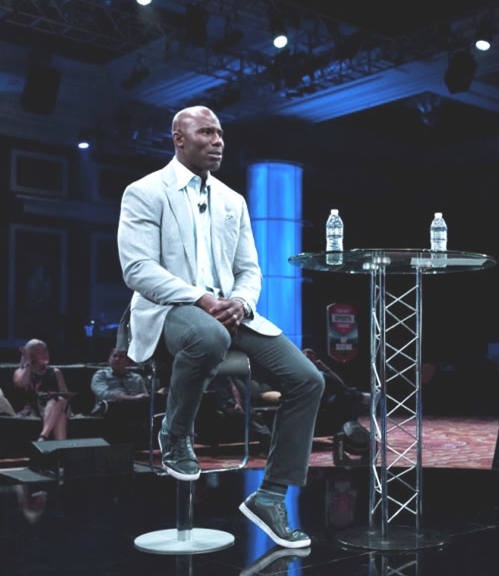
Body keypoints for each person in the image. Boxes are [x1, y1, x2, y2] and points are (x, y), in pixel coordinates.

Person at [117, 105, 323, 549]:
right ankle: (175, 435)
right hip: (170, 307)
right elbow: (137, 269)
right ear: (178, 138)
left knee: (307, 380)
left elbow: (250, 269)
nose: (217, 141)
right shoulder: (145, 191)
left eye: (220, 134)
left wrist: (241, 302)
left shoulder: (234, 200)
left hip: (229, 310)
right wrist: (200, 298)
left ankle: (270, 496)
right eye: (206, 133)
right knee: (207, 335)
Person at [13, 339, 70, 441]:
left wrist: (55, 395)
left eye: (45, 350)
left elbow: (65, 395)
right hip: (34, 408)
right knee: (60, 416)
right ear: (31, 355)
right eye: (39, 351)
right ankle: (61, 454)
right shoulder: (20, 371)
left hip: (57, 405)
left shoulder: (56, 372)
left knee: (56, 400)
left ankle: (43, 437)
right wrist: (28, 363)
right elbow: (22, 384)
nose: (44, 354)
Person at [91, 348, 149, 414]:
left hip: (132, 411)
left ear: (126, 361)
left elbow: (145, 397)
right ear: (109, 359)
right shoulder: (101, 375)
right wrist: (133, 398)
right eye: (114, 356)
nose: (117, 359)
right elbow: (105, 395)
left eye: (121, 357)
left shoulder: (136, 378)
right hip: (107, 411)